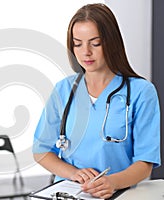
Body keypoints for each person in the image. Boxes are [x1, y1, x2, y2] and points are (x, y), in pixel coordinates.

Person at [32, 3, 161, 199]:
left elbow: (145, 163)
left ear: (111, 42)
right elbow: (41, 151)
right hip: (70, 193)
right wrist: (74, 173)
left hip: (120, 193)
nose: (86, 52)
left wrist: (112, 182)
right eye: (78, 43)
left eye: (95, 43)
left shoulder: (141, 92)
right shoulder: (63, 90)